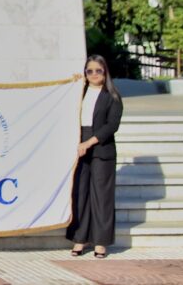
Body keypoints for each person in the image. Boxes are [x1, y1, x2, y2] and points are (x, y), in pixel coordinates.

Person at [67, 54, 124, 259]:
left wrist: (89, 142)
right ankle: (80, 239)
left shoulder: (112, 96)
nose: (93, 75)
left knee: (102, 197)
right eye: (89, 71)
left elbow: (112, 126)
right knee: (80, 195)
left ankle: (101, 243)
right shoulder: (80, 92)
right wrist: (72, 82)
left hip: (101, 149)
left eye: (97, 71)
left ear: (105, 72)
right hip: (80, 146)